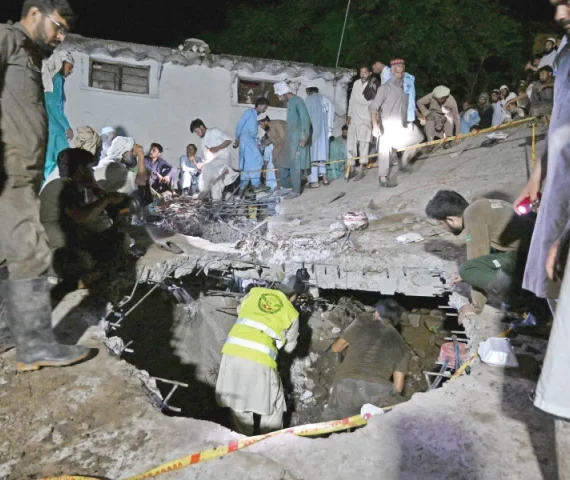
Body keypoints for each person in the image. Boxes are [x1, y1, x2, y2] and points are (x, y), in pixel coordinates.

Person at [0, 0, 92, 370]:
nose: (60, 36)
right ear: (34, 13)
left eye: (65, 31)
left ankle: (8, 335)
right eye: (57, 26)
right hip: (9, 174)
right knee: (32, 252)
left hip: (21, 175)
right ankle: (35, 347)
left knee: (9, 257)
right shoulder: (7, 39)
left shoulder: (30, 56)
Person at [425, 190, 535, 324]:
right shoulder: (481, 207)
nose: (443, 228)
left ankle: (526, 302)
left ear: (451, 220)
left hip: (533, 256)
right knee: (479, 263)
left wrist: (475, 307)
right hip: (535, 248)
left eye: (441, 224)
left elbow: (475, 263)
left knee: (468, 269)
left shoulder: (473, 216)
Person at [215, 275, 304, 435]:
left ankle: (243, 442)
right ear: (293, 297)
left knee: (239, 401)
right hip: (260, 359)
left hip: (231, 353)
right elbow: (290, 347)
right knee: (274, 404)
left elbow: (240, 311)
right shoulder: (291, 312)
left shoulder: (255, 293)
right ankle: (268, 441)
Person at [39, 148, 129, 288]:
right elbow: (82, 217)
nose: (93, 171)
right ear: (81, 169)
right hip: (52, 236)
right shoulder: (61, 185)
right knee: (86, 260)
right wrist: (106, 199)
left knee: (118, 239)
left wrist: (99, 191)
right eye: (90, 168)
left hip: (66, 231)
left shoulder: (74, 184)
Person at [327, 300, 409, 418]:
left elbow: (336, 348)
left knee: (336, 424)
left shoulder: (360, 323)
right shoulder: (402, 345)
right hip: (378, 392)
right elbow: (398, 387)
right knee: (366, 429)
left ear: (377, 313)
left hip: (347, 383)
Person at [370, 59, 423, 186]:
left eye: (402, 71)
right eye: (399, 72)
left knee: (418, 138)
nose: (401, 74)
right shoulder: (384, 88)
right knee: (385, 151)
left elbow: (409, 105)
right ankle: (383, 178)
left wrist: (418, 114)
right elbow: (373, 108)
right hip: (387, 124)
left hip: (401, 123)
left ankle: (404, 162)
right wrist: (375, 125)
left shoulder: (402, 88)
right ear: (393, 71)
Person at [273, 82, 311, 198]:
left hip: (298, 138)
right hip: (290, 139)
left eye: (279, 96)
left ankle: (296, 190)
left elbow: (305, 119)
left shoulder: (298, 101)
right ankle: (287, 186)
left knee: (295, 165)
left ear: (284, 92)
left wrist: (304, 137)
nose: (279, 99)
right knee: (281, 162)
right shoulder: (290, 103)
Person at [42, 50, 74, 179]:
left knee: (49, 164)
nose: (70, 71)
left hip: (48, 127)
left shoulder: (49, 81)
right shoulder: (58, 79)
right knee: (64, 161)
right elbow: (54, 106)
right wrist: (67, 127)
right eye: (70, 66)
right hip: (56, 129)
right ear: (62, 63)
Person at [190, 119, 239, 201]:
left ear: (201, 127)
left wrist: (217, 148)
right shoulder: (202, 141)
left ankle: (205, 194)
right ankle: (210, 198)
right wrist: (202, 163)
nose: (197, 134)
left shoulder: (214, 131)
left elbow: (228, 140)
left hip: (222, 160)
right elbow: (207, 157)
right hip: (211, 164)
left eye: (196, 131)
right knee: (213, 183)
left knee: (211, 174)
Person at [234, 97, 268, 191]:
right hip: (246, 139)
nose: (265, 110)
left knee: (247, 165)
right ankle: (256, 184)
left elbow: (252, 128)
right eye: (264, 107)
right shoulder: (249, 112)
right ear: (260, 105)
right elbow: (240, 124)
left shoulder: (255, 116)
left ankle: (242, 189)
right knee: (257, 159)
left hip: (250, 140)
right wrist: (237, 138)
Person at [347, 65, 374, 181]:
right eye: (361, 72)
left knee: (364, 143)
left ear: (370, 73)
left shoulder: (373, 85)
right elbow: (352, 99)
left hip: (366, 118)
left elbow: (371, 102)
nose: (362, 75)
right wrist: (349, 114)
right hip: (354, 117)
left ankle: (362, 168)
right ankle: (351, 168)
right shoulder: (356, 83)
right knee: (351, 142)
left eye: (365, 72)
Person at [305, 86, 334, 188]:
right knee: (322, 156)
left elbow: (306, 117)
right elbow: (331, 113)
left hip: (313, 132)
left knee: (313, 157)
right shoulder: (326, 100)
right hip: (324, 132)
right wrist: (329, 129)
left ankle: (315, 181)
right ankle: (325, 179)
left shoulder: (309, 100)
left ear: (309, 92)